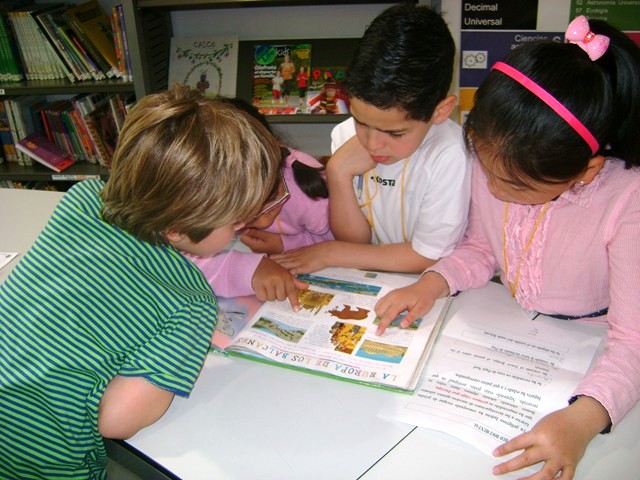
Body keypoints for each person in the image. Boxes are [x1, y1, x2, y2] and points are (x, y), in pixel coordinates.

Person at [374, 16, 640, 480]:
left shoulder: (627, 200)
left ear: (587, 170)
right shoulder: (496, 156)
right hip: (513, 330)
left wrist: (583, 419)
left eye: (517, 186)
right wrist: (432, 283)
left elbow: (633, 339)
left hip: (598, 350)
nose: (495, 190)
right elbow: (480, 248)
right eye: (487, 170)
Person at [0, 85, 281, 479]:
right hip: (34, 460)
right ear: (177, 230)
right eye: (237, 222)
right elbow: (115, 422)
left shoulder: (83, 199)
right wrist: (177, 366)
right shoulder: (190, 303)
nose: (243, 229)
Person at [272, 4, 470, 280]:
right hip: (371, 280)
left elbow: (428, 255)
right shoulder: (344, 136)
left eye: (395, 133)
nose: (373, 144)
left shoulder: (451, 153)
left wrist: (330, 253)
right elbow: (354, 242)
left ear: (440, 111)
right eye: (360, 122)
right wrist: (338, 172)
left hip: (432, 283)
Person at [190, 98, 334, 309]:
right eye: (242, 212)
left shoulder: (306, 189)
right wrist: (249, 270)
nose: (260, 215)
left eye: (272, 196)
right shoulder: (201, 193)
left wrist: (284, 244)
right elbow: (177, 260)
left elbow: (336, 243)